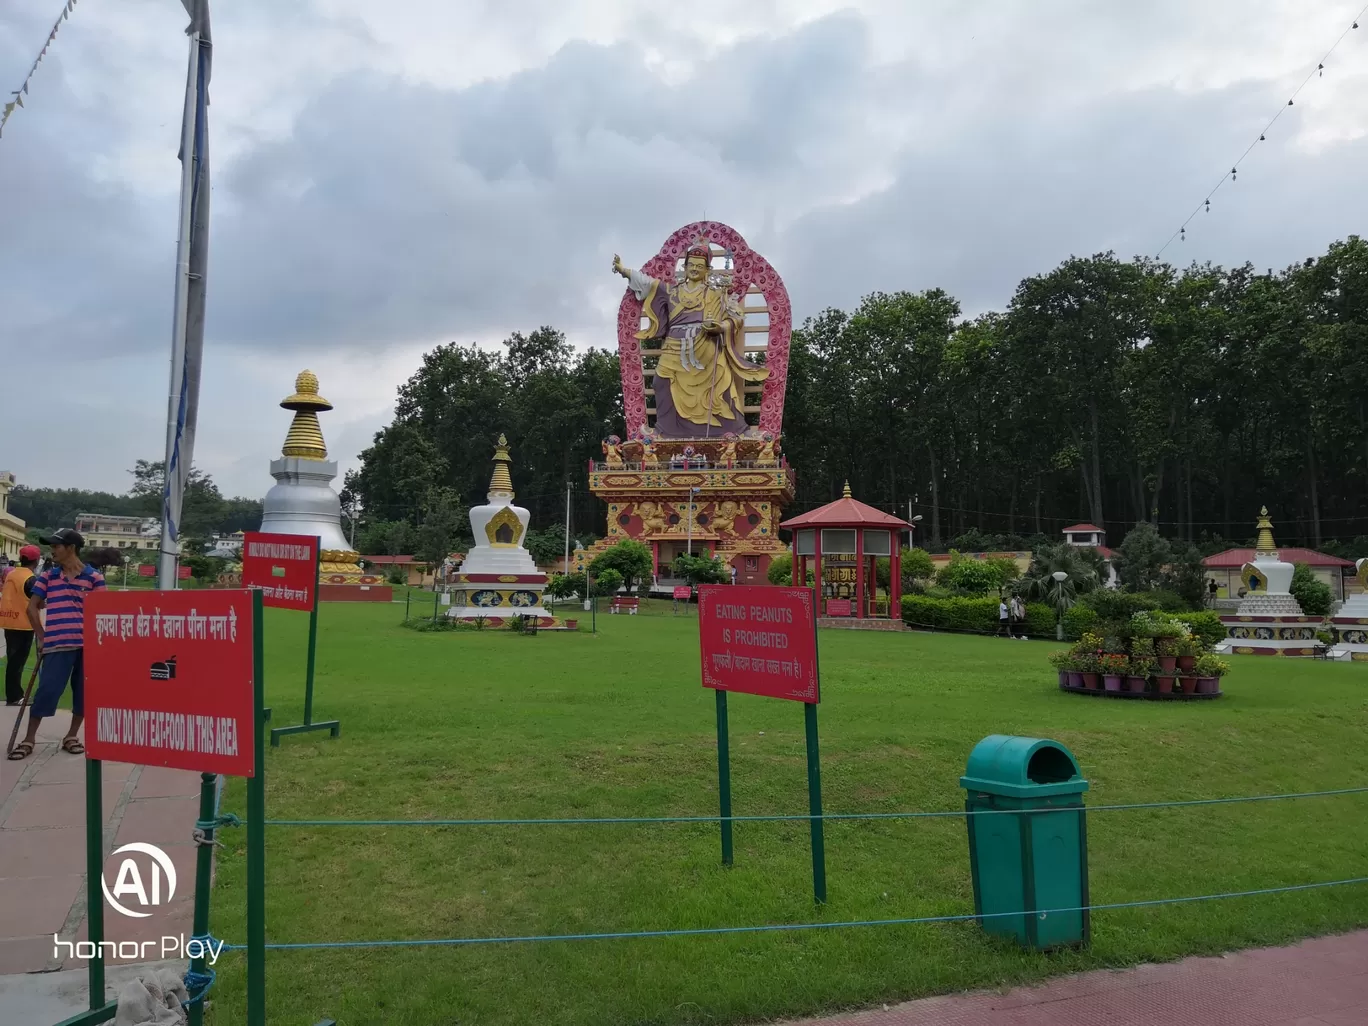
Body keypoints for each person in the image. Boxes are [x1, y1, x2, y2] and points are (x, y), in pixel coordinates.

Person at [9, 529, 105, 760]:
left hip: (88, 648)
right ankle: (29, 739)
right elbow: (32, 607)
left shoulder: (94, 578)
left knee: (83, 694)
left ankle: (71, 736)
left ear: (71, 548)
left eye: (56, 546)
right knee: (47, 691)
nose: (52, 550)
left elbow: (103, 612)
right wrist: (42, 636)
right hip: (57, 644)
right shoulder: (49, 576)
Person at [1, 545, 41, 705]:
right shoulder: (30, 579)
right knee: (17, 662)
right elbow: (37, 601)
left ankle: (14, 695)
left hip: (9, 621)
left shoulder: (12, 574)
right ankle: (15, 696)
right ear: (36, 561)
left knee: (13, 661)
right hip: (23, 624)